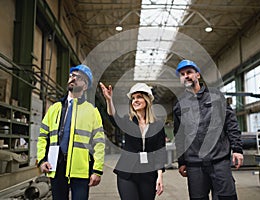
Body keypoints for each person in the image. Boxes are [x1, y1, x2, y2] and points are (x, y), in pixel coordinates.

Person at [173, 60, 244, 200]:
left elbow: (231, 124)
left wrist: (237, 149)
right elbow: (180, 136)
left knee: (227, 197)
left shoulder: (217, 97)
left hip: (219, 161)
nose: (186, 76)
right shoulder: (179, 106)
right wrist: (182, 162)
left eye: (189, 72)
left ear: (197, 75)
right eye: (182, 74)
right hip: (194, 165)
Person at [37, 64, 105, 200]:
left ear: (85, 86)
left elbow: (99, 143)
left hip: (80, 169)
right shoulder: (54, 108)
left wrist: (97, 170)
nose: (73, 79)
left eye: (78, 77)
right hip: (56, 165)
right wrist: (41, 160)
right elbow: (43, 136)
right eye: (71, 76)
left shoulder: (92, 111)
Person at [100, 82, 167, 200]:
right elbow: (114, 118)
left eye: (139, 97)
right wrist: (109, 100)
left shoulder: (158, 125)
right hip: (127, 172)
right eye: (133, 98)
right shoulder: (128, 120)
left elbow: (160, 152)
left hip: (148, 173)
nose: (135, 100)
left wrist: (159, 176)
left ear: (147, 100)